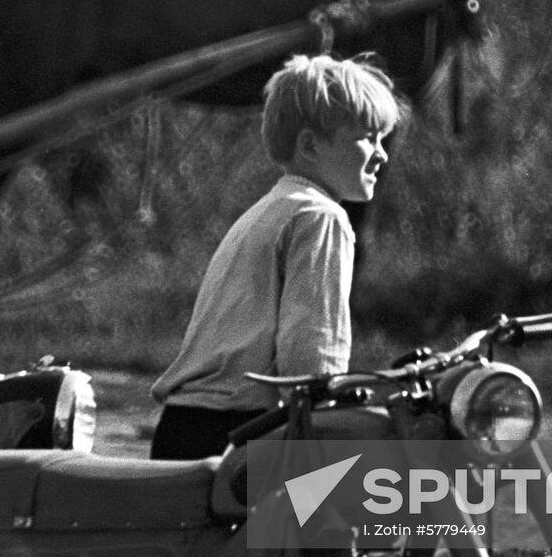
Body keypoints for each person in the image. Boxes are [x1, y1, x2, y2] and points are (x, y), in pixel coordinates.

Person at [150, 52, 403, 460]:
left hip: (185, 426)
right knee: (372, 497)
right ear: (310, 145)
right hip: (240, 432)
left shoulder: (270, 209)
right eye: (367, 138)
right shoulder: (322, 217)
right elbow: (312, 357)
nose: (381, 153)